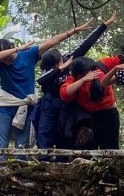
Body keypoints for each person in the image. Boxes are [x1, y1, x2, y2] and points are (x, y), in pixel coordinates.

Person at [0, 22, 93, 157]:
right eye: (4, 59)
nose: (6, 61)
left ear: (11, 47)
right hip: (5, 105)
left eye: (8, 57)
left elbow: (52, 41)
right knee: (1, 143)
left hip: (26, 105)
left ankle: (19, 173)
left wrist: (74, 30)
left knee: (22, 145)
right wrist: (18, 48)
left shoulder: (29, 55)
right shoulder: (0, 64)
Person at [34, 14, 113, 148]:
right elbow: (41, 80)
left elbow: (86, 44)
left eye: (56, 65)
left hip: (67, 101)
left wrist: (104, 25)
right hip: (50, 101)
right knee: (45, 129)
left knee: (67, 128)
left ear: (60, 59)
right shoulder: (48, 68)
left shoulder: (68, 58)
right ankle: (43, 158)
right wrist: (60, 69)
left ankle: (65, 156)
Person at [59, 56, 124, 150]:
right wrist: (83, 80)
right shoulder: (75, 78)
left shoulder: (100, 68)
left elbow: (121, 59)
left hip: (109, 115)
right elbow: (64, 94)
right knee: (88, 148)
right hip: (88, 117)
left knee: (109, 148)